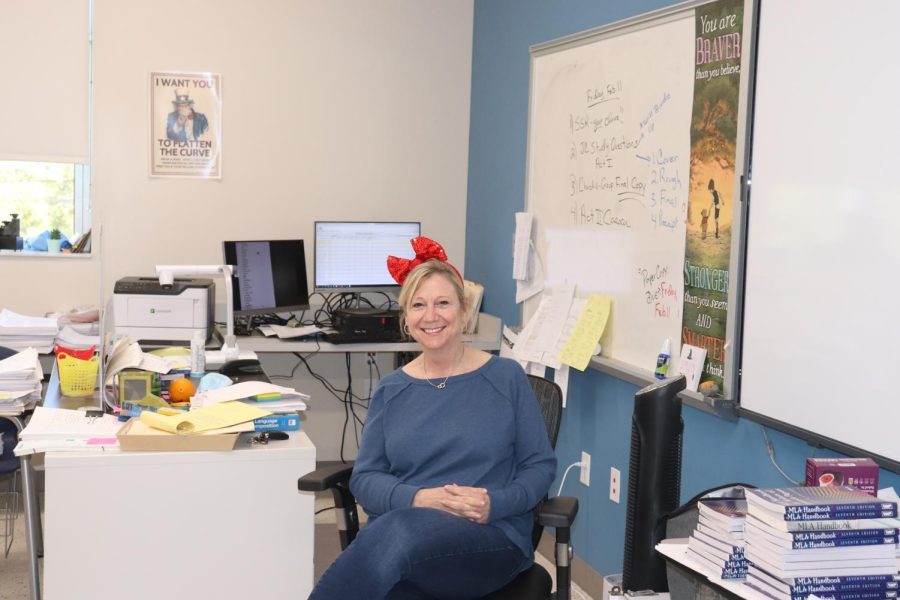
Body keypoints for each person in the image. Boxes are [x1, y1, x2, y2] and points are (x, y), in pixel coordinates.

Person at [309, 236, 557, 600]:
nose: (431, 316)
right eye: (418, 305)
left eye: (443, 303)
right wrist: (419, 498)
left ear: (464, 308)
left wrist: (495, 504)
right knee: (389, 577)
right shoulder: (392, 390)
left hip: (487, 537)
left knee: (391, 541)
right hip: (403, 541)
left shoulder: (506, 378)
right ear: (406, 317)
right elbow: (365, 479)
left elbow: (540, 466)